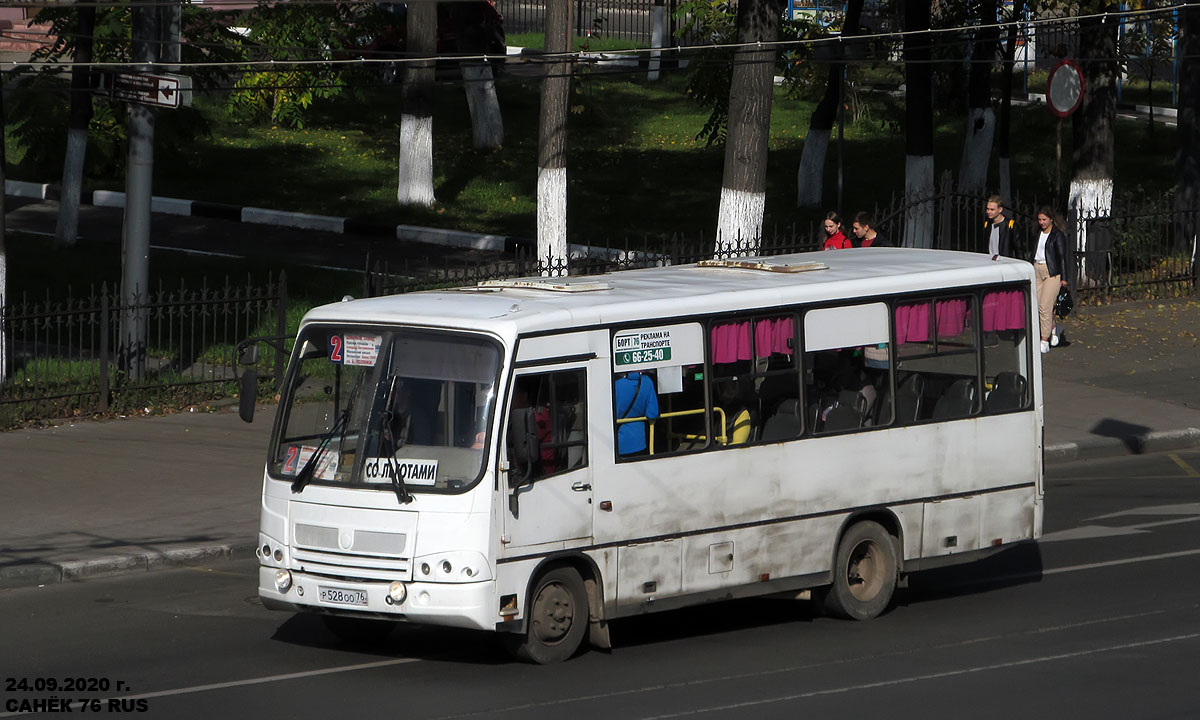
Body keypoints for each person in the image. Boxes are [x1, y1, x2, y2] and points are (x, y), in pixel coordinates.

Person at [1031, 206, 1069, 354]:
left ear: (1051, 219)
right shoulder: (1038, 233)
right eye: (1040, 219)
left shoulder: (1057, 235)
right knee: (1038, 305)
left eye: (1044, 220)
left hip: (1052, 272)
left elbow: (1062, 257)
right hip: (1037, 269)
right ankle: (1054, 327)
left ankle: (1044, 340)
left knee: (1045, 306)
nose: (1042, 222)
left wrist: (1064, 278)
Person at [614, 371, 659, 456]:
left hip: (618, 442)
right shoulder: (647, 381)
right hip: (639, 442)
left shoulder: (614, 383)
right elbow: (652, 413)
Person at [984, 195, 1017, 260]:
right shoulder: (987, 224)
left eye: (992, 209)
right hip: (989, 261)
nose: (989, 212)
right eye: (988, 209)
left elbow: (1018, 249)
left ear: (1000, 209)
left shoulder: (1010, 225)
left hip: (1004, 263)